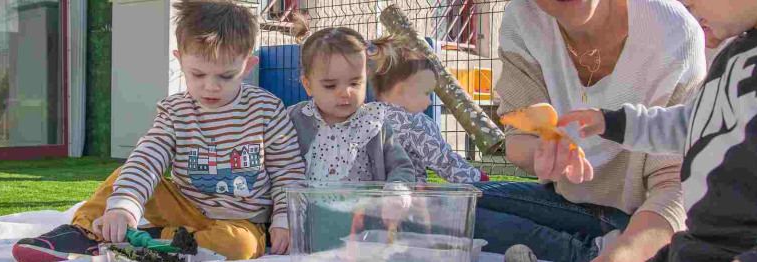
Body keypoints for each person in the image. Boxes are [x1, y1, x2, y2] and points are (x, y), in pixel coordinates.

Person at [10, 0, 306, 260]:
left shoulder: (266, 108)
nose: (211, 86)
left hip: (242, 219)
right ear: (180, 61)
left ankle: (153, 241)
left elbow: (287, 170)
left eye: (226, 76)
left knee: (241, 246)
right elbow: (148, 157)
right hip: (185, 204)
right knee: (122, 177)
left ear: (247, 65)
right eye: (198, 74)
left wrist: (283, 219)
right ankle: (85, 231)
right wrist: (124, 207)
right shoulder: (175, 110)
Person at [559, 0, 757, 260]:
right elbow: (694, 122)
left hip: (753, 247)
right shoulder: (735, 51)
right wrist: (613, 123)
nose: (686, 3)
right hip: (700, 243)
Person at [484, 0, 707, 261]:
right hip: (567, 204)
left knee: (463, 223)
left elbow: (675, 187)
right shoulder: (522, 18)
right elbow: (519, 139)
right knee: (442, 208)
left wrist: (623, 254)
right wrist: (547, 151)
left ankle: (596, 251)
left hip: (642, 217)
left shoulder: (675, 32)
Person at [286, 25, 417, 183]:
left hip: (364, 207)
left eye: (355, 83)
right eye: (330, 85)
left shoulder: (373, 122)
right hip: (309, 207)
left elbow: (401, 167)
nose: (345, 92)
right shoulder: (294, 119)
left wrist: (397, 191)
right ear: (308, 85)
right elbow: (277, 165)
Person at [368, 37, 486, 183]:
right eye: (425, 92)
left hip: (368, 194)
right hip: (407, 196)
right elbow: (444, 161)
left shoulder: (365, 115)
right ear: (401, 90)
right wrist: (477, 177)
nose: (429, 101)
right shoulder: (416, 124)